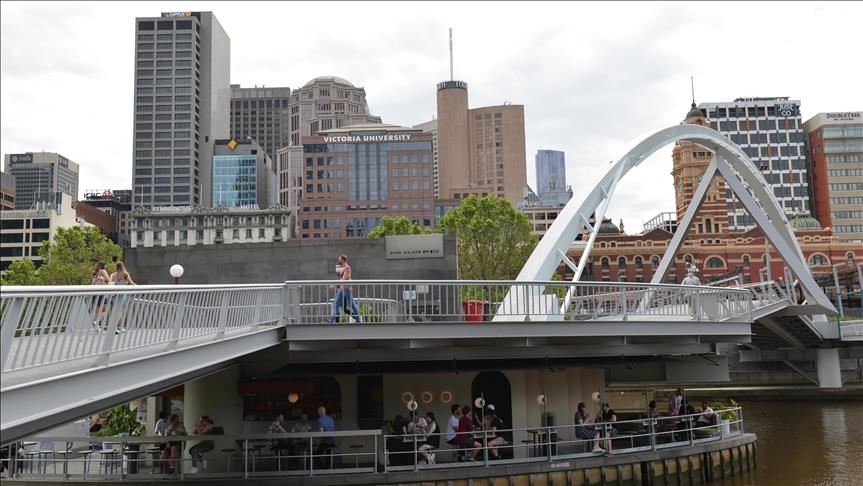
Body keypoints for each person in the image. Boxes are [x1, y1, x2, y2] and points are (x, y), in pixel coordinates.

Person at [328, 255, 362, 323]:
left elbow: (344, 279)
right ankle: (332, 320)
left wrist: (334, 284)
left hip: (346, 289)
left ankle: (358, 319)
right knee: (336, 304)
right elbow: (340, 277)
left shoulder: (347, 268)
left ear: (343, 260)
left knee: (352, 305)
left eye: (339, 259)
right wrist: (338, 271)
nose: (338, 261)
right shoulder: (342, 268)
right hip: (341, 289)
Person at [109, 261, 136, 333]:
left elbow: (109, 283)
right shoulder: (125, 274)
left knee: (117, 311)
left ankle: (121, 327)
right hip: (123, 295)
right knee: (121, 312)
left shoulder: (113, 274)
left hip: (114, 295)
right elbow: (131, 283)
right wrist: (138, 287)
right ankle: (114, 327)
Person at [90, 261, 110, 329]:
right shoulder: (103, 271)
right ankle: (96, 321)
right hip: (101, 293)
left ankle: (95, 326)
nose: (106, 266)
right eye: (105, 265)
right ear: (103, 265)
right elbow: (109, 280)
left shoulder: (95, 272)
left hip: (95, 292)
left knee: (97, 312)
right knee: (105, 310)